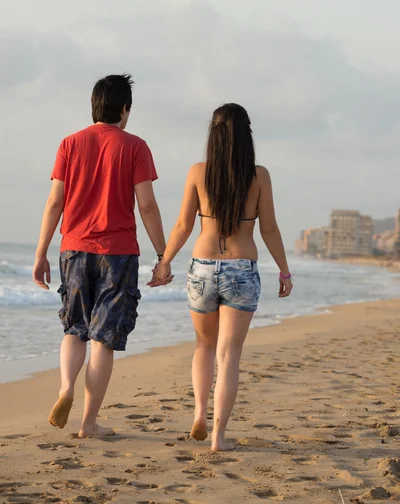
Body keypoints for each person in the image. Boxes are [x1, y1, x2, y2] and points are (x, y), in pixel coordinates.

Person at [33, 73, 172, 437]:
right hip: (118, 254)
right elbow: (147, 206)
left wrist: (41, 253)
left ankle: (66, 388)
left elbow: (54, 202)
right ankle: (88, 423)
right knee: (103, 339)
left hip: (73, 250)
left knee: (74, 329)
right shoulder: (136, 147)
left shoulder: (69, 144)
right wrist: (163, 254)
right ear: (125, 109)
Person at [151, 103, 292, 451]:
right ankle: (218, 437)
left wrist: (164, 261)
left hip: (202, 266)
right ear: (247, 136)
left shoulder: (198, 172)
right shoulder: (259, 176)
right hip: (241, 269)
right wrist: (284, 270)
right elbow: (270, 228)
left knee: (204, 346)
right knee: (229, 355)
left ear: (212, 137)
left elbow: (184, 225)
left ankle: (199, 411)